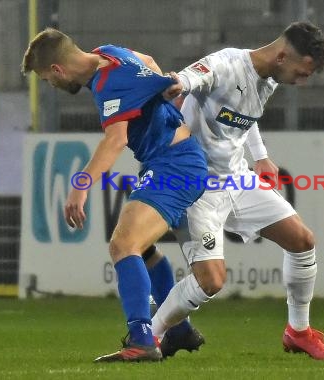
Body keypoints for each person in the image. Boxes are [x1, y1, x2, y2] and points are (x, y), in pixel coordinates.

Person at [147, 21, 324, 360]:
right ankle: (149, 337)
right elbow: (193, 77)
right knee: (210, 282)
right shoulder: (226, 64)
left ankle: (298, 332)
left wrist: (262, 158)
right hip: (198, 185)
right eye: (302, 72)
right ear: (283, 56)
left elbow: (244, 116)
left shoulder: (268, 77)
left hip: (237, 178)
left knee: (302, 241)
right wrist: (179, 82)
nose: (302, 81)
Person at [21, 28, 208, 362]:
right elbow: (148, 62)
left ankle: (142, 339)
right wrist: (156, 91)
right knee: (142, 248)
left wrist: (79, 187)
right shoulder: (108, 52)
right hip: (171, 159)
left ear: (57, 70)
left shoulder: (109, 86)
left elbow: (115, 141)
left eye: (46, 79)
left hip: (175, 165)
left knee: (123, 246)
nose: (51, 86)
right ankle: (178, 330)